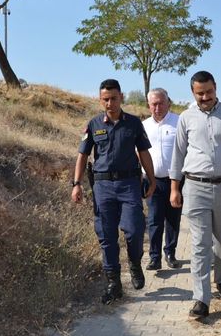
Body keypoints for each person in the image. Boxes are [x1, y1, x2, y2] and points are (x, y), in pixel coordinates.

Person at [169, 70, 221, 319]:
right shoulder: (186, 118)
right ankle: (201, 299)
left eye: (208, 92)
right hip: (195, 187)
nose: (205, 97)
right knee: (200, 244)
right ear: (193, 93)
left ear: (215, 88)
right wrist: (175, 187)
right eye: (199, 93)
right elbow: (178, 154)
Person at [71, 79, 157, 305]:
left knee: (135, 229)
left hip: (129, 184)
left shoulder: (134, 124)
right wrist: (77, 184)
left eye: (114, 98)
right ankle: (114, 283)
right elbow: (82, 155)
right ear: (101, 100)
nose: (110, 103)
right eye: (105, 99)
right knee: (106, 236)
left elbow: (144, 152)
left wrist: (152, 178)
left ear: (121, 97)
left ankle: (135, 263)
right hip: (103, 187)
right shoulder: (93, 124)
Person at [142, 88, 182, 271]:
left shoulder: (179, 123)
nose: (157, 107)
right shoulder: (143, 126)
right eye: (153, 104)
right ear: (149, 105)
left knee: (173, 219)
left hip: (175, 181)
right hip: (152, 181)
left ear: (168, 103)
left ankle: (170, 253)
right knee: (154, 220)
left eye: (161, 103)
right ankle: (154, 257)